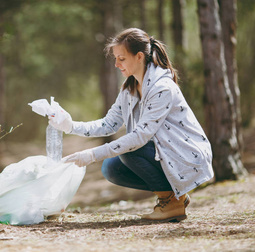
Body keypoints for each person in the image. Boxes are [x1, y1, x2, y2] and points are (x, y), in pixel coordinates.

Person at [49, 28, 214, 222]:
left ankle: (172, 203)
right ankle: (175, 195)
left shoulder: (162, 88)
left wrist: (92, 154)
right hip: (165, 152)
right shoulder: (129, 88)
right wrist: (70, 126)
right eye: (115, 58)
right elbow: (109, 124)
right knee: (111, 168)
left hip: (185, 154)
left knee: (128, 149)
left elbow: (139, 137)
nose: (116, 64)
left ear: (139, 57)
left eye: (121, 58)